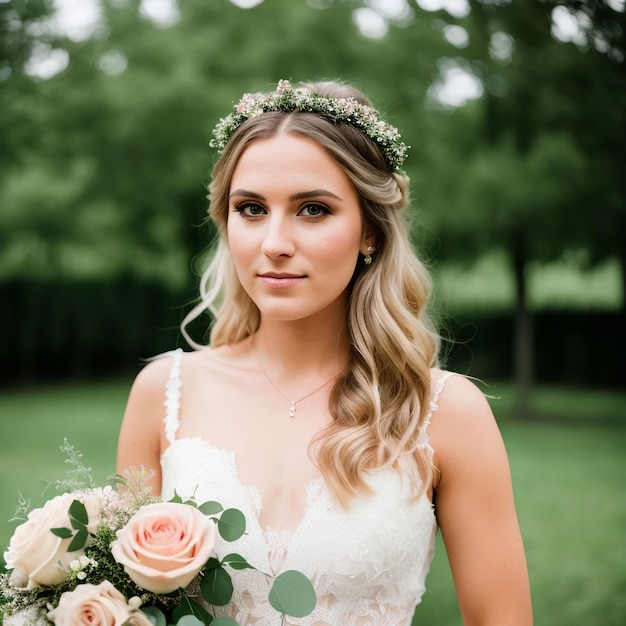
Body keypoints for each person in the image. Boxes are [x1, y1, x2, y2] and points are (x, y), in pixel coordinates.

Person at [116, 79, 533, 625]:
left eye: (313, 210)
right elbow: (128, 606)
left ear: (370, 233)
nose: (275, 243)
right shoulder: (163, 394)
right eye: (251, 208)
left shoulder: (446, 412)